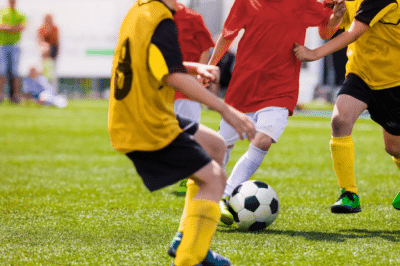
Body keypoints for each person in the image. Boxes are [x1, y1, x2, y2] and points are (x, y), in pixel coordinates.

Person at [108, 1, 256, 265]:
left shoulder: (140, 12)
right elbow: (172, 78)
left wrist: (193, 67)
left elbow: (154, 61)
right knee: (214, 179)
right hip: (148, 123)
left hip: (138, 114)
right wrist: (228, 111)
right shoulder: (162, 21)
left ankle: (187, 238)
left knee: (216, 146)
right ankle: (189, 258)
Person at [208, 0, 346, 225]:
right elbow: (226, 35)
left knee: (263, 140)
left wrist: (336, 17)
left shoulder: (301, 3)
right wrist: (212, 66)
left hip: (281, 88)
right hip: (243, 87)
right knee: (222, 145)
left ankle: (225, 195)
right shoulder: (245, 3)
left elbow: (326, 28)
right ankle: (210, 195)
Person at [294, 0, 400, 213]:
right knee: (339, 121)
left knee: (394, 147)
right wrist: (334, 17)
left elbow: (353, 33)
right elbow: (326, 32)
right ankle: (349, 194)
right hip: (360, 74)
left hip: (394, 80)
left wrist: (313, 54)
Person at [173, 2, 215, 194]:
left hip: (187, 87)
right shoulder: (152, 17)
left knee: (191, 134)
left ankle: (191, 177)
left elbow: (206, 47)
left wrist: (200, 72)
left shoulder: (192, 17)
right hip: (163, 85)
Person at [0, 0, 26, 103]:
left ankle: (16, 96)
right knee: (2, 71)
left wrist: (8, 27)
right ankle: (1, 95)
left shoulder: (20, 14)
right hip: (3, 45)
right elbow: (1, 27)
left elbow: (23, 26)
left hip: (15, 45)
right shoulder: (3, 12)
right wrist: (14, 27)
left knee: (15, 72)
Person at [37, 13, 59, 89]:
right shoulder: (42, 28)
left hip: (53, 51)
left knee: (52, 74)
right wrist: (45, 49)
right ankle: (44, 90)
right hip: (45, 53)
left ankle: (53, 90)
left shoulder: (55, 28)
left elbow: (57, 41)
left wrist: (55, 52)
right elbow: (40, 40)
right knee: (44, 73)